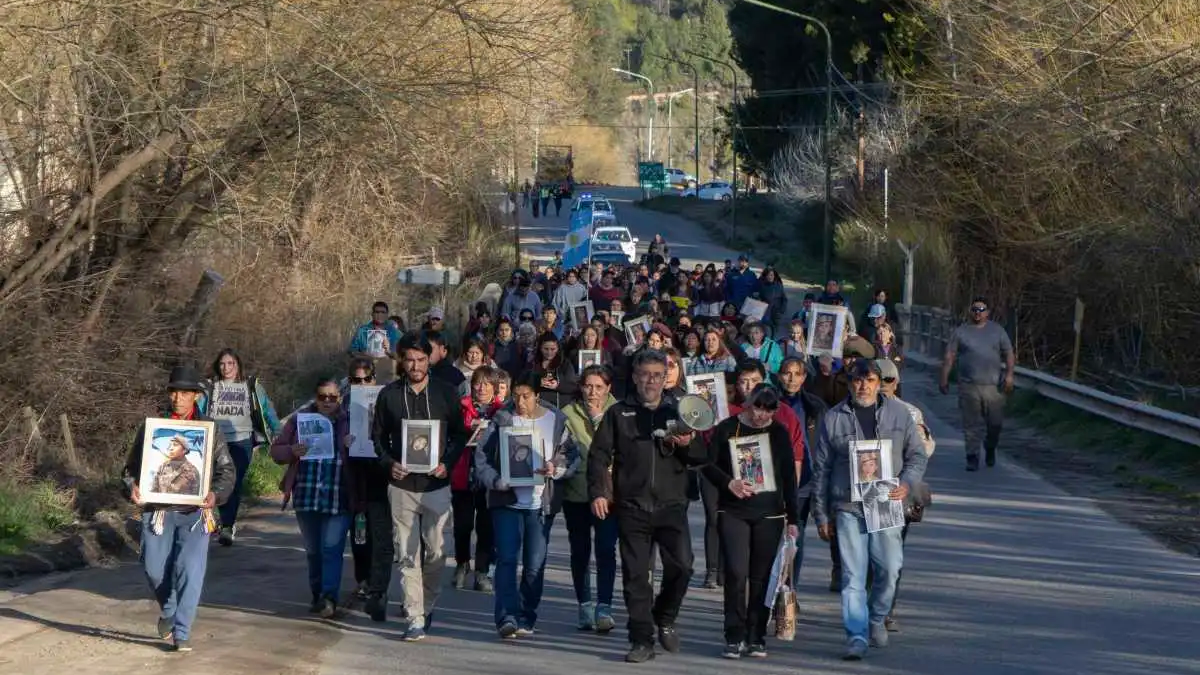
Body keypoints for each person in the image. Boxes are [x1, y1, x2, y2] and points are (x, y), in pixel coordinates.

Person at [589, 350, 709, 663]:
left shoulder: (678, 410)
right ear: (634, 377)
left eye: (657, 374)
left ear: (666, 377)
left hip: (672, 506)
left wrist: (689, 444)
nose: (651, 381)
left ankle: (664, 616)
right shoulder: (619, 413)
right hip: (632, 507)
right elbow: (599, 455)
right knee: (636, 576)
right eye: (645, 374)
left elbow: (700, 458)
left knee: (683, 566)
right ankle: (641, 640)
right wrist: (600, 492)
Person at [812, 359, 929, 661]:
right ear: (849, 383)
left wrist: (906, 483)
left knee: (890, 569)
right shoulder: (834, 418)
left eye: (870, 380)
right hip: (847, 505)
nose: (863, 385)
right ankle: (856, 635)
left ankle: (877, 618)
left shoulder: (899, 413)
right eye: (857, 380)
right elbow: (821, 470)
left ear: (879, 383)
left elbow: (917, 455)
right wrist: (821, 515)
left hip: (885, 500)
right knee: (853, 575)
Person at [121, 365, 235, 652]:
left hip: (196, 513)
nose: (178, 398)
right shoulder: (152, 427)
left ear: (196, 396)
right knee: (153, 568)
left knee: (189, 570)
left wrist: (215, 495)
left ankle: (182, 632)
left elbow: (226, 471)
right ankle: (171, 610)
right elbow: (131, 469)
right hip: (158, 511)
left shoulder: (210, 429)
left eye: (185, 392)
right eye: (174, 392)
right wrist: (132, 486)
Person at [372, 335, 470, 641]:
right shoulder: (389, 395)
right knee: (406, 552)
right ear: (401, 360)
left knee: (436, 552)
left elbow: (458, 434)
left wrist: (447, 463)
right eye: (409, 360)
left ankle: (428, 604)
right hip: (401, 484)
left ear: (430, 360)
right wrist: (389, 463)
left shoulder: (446, 393)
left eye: (421, 359)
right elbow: (377, 439)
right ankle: (414, 615)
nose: (415, 365)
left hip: (436, 484)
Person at [474, 373, 578, 638]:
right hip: (506, 501)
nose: (520, 401)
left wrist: (556, 468)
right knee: (507, 559)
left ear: (537, 396)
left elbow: (572, 456)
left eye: (526, 396)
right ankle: (506, 617)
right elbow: (482, 456)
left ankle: (526, 614)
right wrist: (496, 481)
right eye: (516, 395)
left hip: (540, 504)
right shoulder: (501, 419)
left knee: (534, 564)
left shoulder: (556, 420)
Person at [704, 384, 799, 659]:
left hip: (769, 512)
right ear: (748, 403)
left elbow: (788, 478)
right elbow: (708, 466)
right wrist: (729, 482)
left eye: (770, 410)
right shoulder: (726, 428)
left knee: (760, 577)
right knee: (736, 572)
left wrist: (793, 518)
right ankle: (734, 634)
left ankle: (756, 634)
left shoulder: (778, 432)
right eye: (759, 407)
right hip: (733, 510)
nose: (762, 415)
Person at [270, 377, 357, 618]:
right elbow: (276, 450)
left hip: (338, 494)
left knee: (331, 547)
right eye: (322, 397)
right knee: (313, 550)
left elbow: (367, 453)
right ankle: (317, 594)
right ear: (315, 398)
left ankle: (329, 597)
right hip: (307, 494)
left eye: (332, 397)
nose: (328, 401)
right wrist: (291, 451)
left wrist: (354, 445)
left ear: (340, 398)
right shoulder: (300, 421)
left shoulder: (349, 421)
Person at [560, 365, 620, 632]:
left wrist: (599, 420)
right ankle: (584, 604)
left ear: (608, 388)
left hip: (609, 494)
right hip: (576, 491)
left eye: (598, 387)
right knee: (580, 550)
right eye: (588, 386)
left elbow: (621, 450)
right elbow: (561, 450)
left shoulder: (618, 412)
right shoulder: (567, 413)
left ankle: (604, 606)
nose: (592, 392)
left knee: (606, 549)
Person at [877, 358, 934, 631]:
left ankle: (886, 609)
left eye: (888, 380)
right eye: (878, 379)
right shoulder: (856, 409)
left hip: (898, 495)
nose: (883, 386)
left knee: (892, 556)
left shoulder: (910, 413)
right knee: (865, 554)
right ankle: (868, 606)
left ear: (896, 383)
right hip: (864, 493)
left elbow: (924, 451)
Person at [203, 348, 281, 546]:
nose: (226, 367)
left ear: (238, 365)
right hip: (215, 441)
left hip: (242, 440)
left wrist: (277, 430)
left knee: (233, 483)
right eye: (222, 363)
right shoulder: (210, 386)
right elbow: (198, 409)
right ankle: (216, 521)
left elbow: (267, 409)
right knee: (215, 482)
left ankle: (227, 526)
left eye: (231, 363)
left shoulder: (250, 386)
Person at [340, 359, 394, 613]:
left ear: (374, 379)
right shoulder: (342, 404)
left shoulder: (385, 400)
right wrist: (344, 440)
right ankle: (363, 579)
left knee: (379, 531)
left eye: (366, 379)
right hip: (354, 475)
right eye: (355, 380)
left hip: (379, 472)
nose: (361, 384)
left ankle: (376, 583)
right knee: (358, 531)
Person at [938, 296, 1014, 470]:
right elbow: (950, 356)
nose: (977, 313)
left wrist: (1009, 375)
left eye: (981, 310)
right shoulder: (961, 332)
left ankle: (990, 447)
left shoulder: (997, 331)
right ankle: (972, 456)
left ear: (987, 312)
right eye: (974, 310)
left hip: (993, 387)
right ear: (970, 312)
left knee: (995, 424)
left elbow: (1009, 353)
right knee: (971, 424)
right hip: (969, 385)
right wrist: (943, 377)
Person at [777, 357, 829, 589]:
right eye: (787, 373)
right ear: (779, 375)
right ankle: (772, 588)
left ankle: (790, 590)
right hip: (777, 479)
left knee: (796, 534)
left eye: (797, 374)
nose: (792, 378)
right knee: (774, 536)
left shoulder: (814, 406)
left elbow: (825, 441)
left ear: (804, 378)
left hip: (806, 479)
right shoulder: (770, 403)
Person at [452, 366, 502, 592]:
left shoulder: (502, 411)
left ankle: (482, 571)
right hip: (463, 472)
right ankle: (462, 563)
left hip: (489, 476)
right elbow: (449, 433)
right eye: (478, 383)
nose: (481, 388)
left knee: (486, 526)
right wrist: (466, 430)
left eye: (486, 384)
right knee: (462, 525)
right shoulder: (461, 406)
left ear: (494, 387)